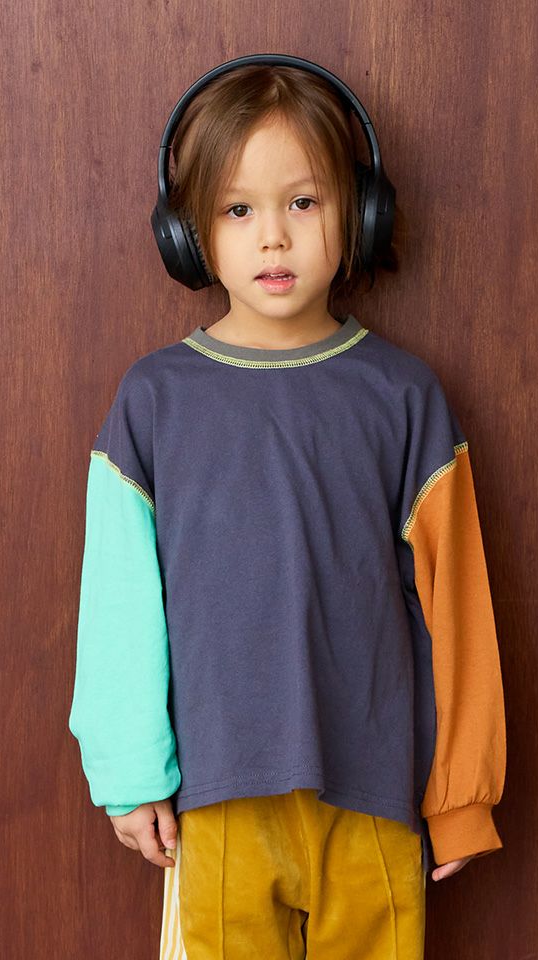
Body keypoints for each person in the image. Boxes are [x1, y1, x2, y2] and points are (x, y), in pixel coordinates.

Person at [68, 59, 506, 960]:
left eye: (303, 202)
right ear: (189, 233)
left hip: (375, 799)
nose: (273, 236)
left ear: (360, 216)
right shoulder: (154, 401)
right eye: (238, 210)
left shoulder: (404, 397)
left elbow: (458, 606)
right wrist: (130, 773)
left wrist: (462, 796)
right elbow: (118, 604)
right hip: (218, 803)